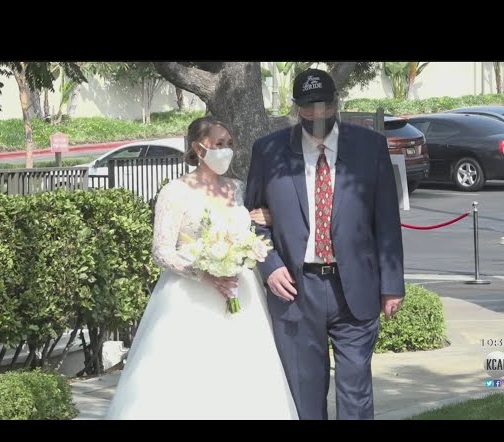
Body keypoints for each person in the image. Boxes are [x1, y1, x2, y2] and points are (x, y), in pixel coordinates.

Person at [105, 116, 298, 420]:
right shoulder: (175, 191)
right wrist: (204, 273)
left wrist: (260, 221)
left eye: (229, 143)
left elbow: (249, 229)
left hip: (239, 291)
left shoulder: (238, 188)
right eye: (219, 144)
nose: (226, 150)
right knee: (187, 380)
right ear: (198, 148)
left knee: (243, 378)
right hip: (189, 295)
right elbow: (162, 250)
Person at [245, 68, 405, 420]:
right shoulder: (268, 151)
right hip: (295, 290)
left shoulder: (369, 147)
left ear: (336, 102)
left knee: (356, 392)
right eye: (308, 107)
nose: (317, 114)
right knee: (305, 392)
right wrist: (270, 266)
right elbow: (251, 219)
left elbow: (387, 222)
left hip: (355, 289)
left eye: (324, 105)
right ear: (295, 107)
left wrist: (392, 285)